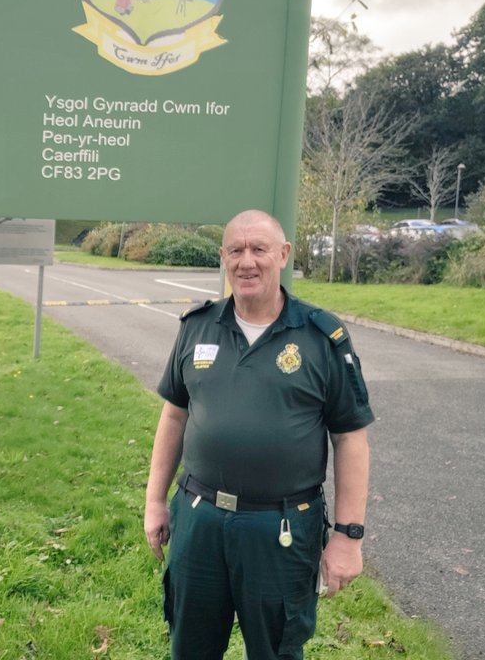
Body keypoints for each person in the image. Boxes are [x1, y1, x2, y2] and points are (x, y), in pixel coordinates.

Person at [144, 210, 373, 660]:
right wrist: (155, 500)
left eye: (259, 250)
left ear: (283, 255)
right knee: (189, 647)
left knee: (275, 652)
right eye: (236, 250)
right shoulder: (197, 326)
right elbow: (174, 415)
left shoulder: (321, 337)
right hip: (199, 520)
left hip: (281, 528)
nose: (247, 261)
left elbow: (351, 440)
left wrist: (348, 537)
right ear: (223, 258)